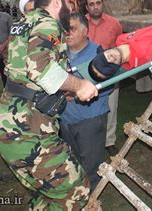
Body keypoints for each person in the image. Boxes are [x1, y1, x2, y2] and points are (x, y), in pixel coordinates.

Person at [0, 0, 98, 210]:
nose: (72, 8)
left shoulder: (23, 23)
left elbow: (19, 72)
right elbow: (42, 70)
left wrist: (66, 89)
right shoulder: (47, 23)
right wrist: (80, 86)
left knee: (47, 193)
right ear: (56, 2)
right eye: (69, 2)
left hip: (10, 125)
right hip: (29, 131)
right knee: (76, 191)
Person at [59, 13, 113, 190]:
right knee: (73, 165)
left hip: (90, 120)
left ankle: (93, 201)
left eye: (72, 29)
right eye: (65, 29)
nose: (68, 33)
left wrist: (78, 93)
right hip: (66, 120)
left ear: (85, 31)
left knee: (92, 169)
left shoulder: (100, 55)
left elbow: (109, 86)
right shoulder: (59, 54)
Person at [85, 0, 123, 156]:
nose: (95, 7)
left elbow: (120, 45)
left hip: (109, 73)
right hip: (86, 72)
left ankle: (109, 141)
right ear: (87, 7)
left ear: (102, 4)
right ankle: (90, 140)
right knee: (88, 107)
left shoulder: (114, 24)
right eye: (91, 4)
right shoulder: (80, 23)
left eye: (98, 3)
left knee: (111, 107)